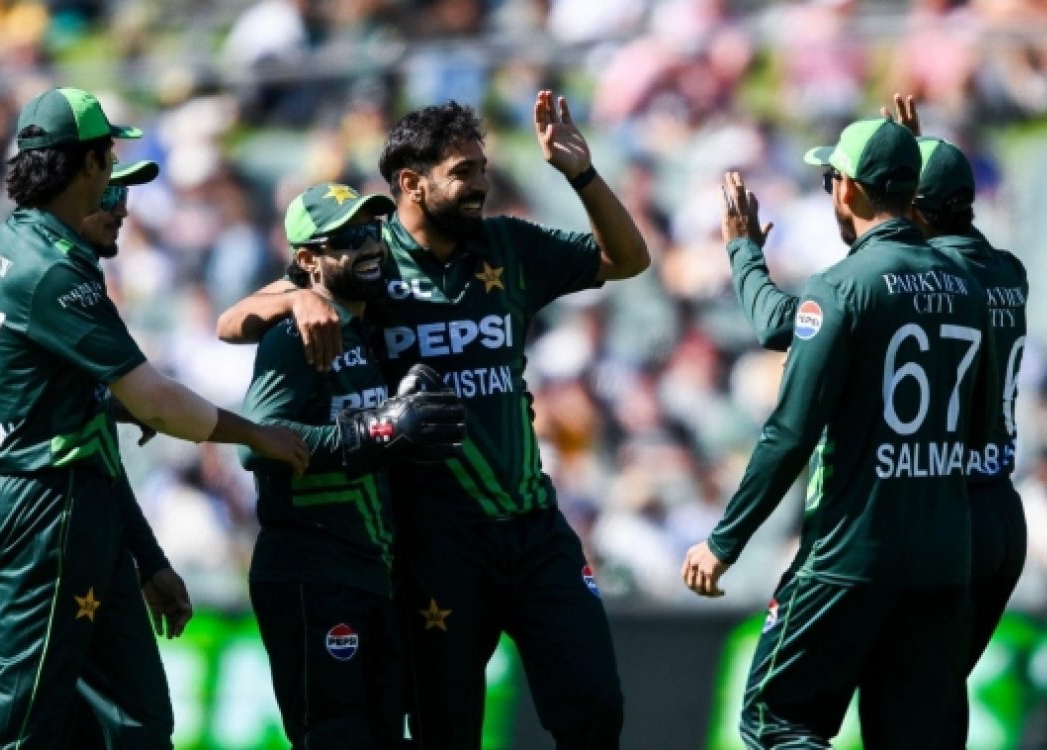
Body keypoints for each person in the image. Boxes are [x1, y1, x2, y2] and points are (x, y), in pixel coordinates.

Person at [218, 90, 650, 749]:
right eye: (463, 173)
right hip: (435, 543)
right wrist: (296, 300)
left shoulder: (508, 244)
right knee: (447, 729)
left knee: (595, 704)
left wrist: (582, 174)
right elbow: (231, 323)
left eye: (483, 169)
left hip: (534, 527)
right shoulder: (369, 259)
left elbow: (629, 259)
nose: (481, 185)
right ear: (413, 184)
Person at [0, 87, 309, 750]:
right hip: (48, 508)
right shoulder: (56, 273)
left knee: (134, 722)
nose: (117, 182)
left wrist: (144, 553)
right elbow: (157, 403)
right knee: (21, 726)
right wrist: (257, 434)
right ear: (86, 163)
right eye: (109, 160)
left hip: (64, 499)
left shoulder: (7, 244)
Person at [720, 94, 1029, 747]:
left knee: (779, 721)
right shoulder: (1002, 275)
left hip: (909, 515)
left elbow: (783, 333)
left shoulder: (865, 284)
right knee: (914, 729)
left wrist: (744, 254)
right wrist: (909, 169)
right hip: (984, 514)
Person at [239, 181, 465, 749]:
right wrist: (378, 431)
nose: (368, 247)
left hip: (369, 569)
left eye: (372, 231)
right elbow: (257, 443)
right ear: (308, 260)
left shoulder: (365, 330)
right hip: (312, 570)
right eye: (347, 238)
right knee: (335, 737)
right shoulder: (295, 335)